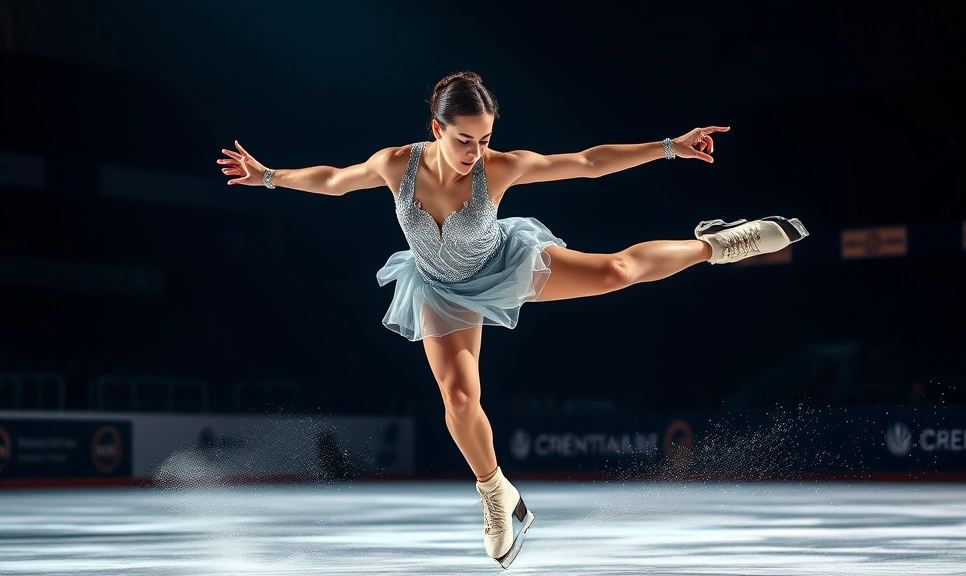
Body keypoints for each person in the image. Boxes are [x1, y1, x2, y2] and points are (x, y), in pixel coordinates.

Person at [217, 71, 809, 568]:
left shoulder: (496, 169)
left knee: (617, 272)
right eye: (466, 140)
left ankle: (716, 244)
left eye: (485, 139)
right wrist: (268, 176)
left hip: (505, 263)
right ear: (437, 130)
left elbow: (586, 162)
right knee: (457, 399)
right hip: (440, 289)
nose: (476, 151)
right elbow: (332, 181)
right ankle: (496, 492)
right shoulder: (394, 165)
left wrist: (669, 147)